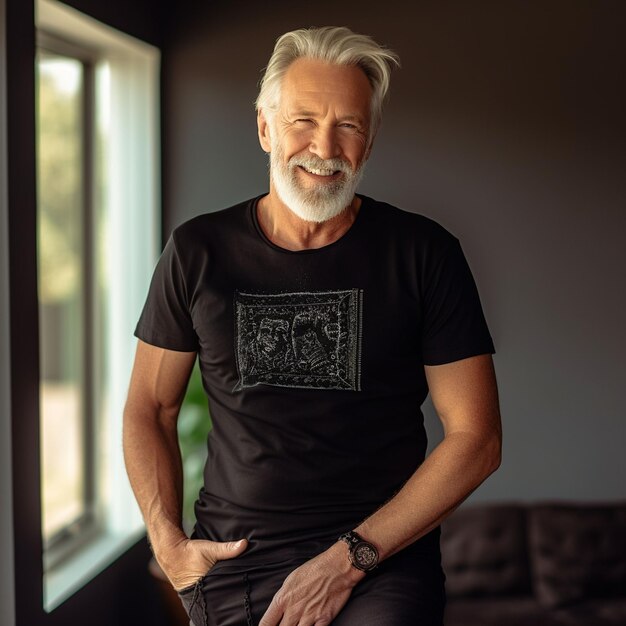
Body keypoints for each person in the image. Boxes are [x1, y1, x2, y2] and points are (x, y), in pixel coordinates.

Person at [123, 25, 502, 626]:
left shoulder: (425, 254)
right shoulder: (197, 251)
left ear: (370, 141)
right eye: (302, 120)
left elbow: (476, 439)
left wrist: (348, 561)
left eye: (349, 125)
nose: (324, 146)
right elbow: (149, 406)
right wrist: (167, 541)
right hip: (234, 563)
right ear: (265, 127)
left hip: (379, 562)